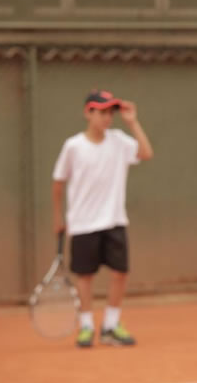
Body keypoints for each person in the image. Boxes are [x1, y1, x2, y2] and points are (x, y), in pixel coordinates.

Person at [52, 89, 154, 348]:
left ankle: (110, 325)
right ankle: (86, 326)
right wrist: (57, 216)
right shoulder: (73, 146)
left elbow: (146, 153)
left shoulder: (119, 141)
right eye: (102, 112)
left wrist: (132, 122)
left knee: (121, 272)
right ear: (88, 113)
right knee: (85, 276)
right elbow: (58, 182)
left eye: (110, 113)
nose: (107, 117)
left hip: (114, 219)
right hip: (83, 222)